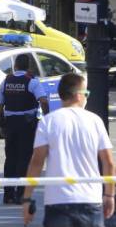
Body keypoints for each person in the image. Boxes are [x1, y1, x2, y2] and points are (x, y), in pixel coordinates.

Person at [22, 73, 115, 226]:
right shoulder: (95, 121)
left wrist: (27, 198)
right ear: (79, 96)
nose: (87, 97)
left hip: (58, 200)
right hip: (90, 199)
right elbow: (109, 162)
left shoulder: (48, 121)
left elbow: (36, 163)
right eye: (87, 93)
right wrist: (109, 195)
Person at [0, 54, 49, 205]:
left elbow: (0, 105)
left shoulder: (6, 81)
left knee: (10, 159)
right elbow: (43, 101)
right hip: (27, 124)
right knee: (24, 159)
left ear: (16, 66)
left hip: (10, 123)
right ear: (29, 66)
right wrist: (48, 117)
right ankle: (20, 194)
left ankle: (8, 195)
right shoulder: (32, 82)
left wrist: (2, 123)